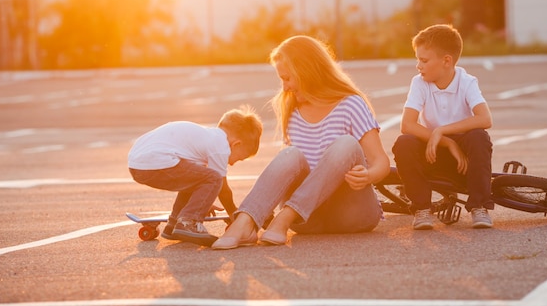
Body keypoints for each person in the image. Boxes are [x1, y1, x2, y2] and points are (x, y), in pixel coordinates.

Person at [211, 35, 390, 250]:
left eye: (287, 78)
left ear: (307, 72)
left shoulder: (351, 104)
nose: (285, 87)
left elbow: (381, 162)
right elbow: (289, 171)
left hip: (352, 214)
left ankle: (284, 218)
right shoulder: (292, 110)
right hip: (309, 221)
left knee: (346, 144)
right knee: (290, 154)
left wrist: (368, 176)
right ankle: (244, 223)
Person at [391, 24, 494, 230]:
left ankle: (479, 207)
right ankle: (422, 209)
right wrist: (446, 142)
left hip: (463, 160)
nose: (418, 66)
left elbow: (485, 119)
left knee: (479, 137)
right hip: (434, 153)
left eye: (424, 60)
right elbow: (407, 124)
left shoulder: (466, 82)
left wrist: (441, 131)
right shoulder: (420, 83)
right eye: (418, 59)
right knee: (404, 143)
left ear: (447, 61)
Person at [128, 105, 263, 246]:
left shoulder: (205, 138)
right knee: (215, 178)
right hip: (157, 161)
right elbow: (223, 190)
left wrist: (203, 201)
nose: (233, 164)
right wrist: (235, 217)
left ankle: (174, 225)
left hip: (138, 164)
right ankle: (188, 221)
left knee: (199, 178)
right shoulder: (221, 146)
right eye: (239, 158)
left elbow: (194, 179)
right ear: (236, 144)